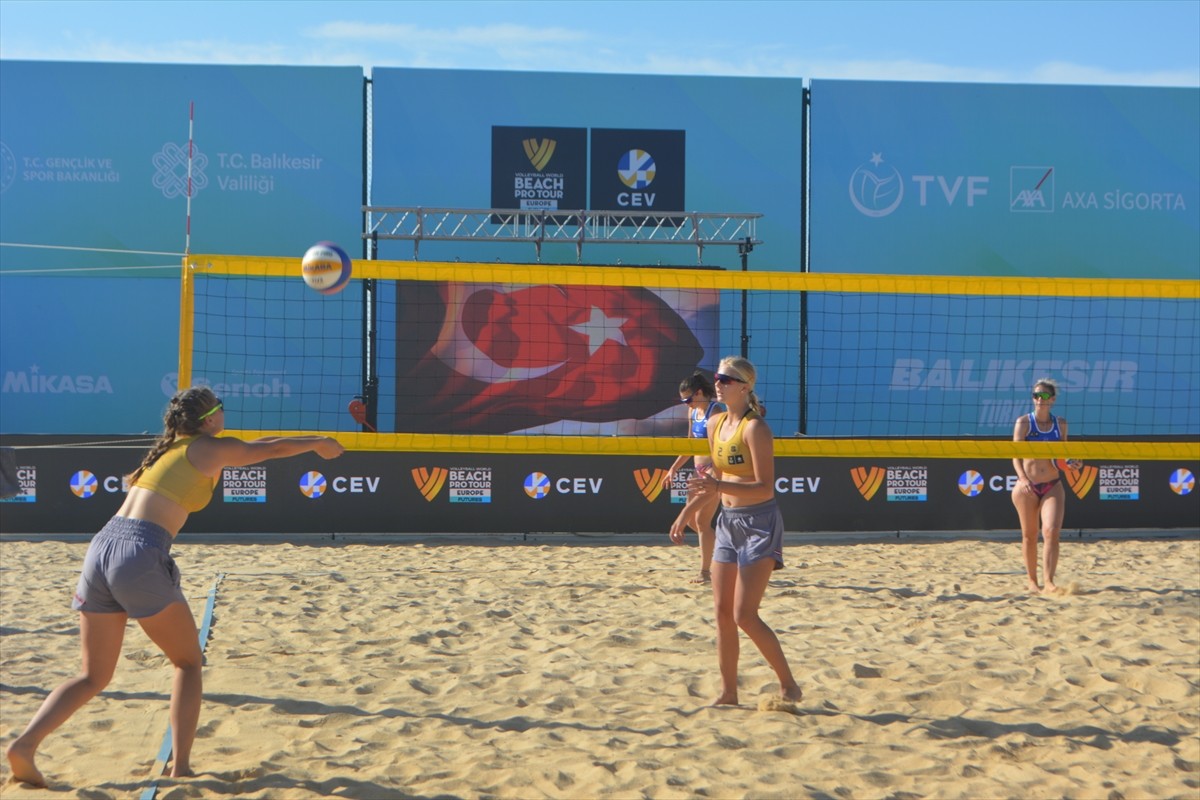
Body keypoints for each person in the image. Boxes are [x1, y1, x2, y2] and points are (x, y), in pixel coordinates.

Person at [5, 386, 345, 787]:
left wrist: (313, 441)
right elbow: (270, 449)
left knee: (92, 676)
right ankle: (180, 767)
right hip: (139, 552)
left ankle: (25, 745)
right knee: (187, 663)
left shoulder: (167, 451)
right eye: (221, 408)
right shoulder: (208, 448)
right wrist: (319, 442)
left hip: (100, 548)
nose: (224, 414)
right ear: (209, 418)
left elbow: (262, 446)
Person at [669, 356, 802, 706]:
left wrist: (717, 489)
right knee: (722, 614)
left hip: (759, 523)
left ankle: (789, 684)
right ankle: (729, 693)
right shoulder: (715, 423)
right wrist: (686, 513)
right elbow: (715, 478)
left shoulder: (755, 428)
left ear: (744, 386)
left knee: (745, 614)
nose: (718, 383)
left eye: (725, 379)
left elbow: (765, 488)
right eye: (717, 377)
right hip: (727, 522)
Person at [1011, 378, 1075, 594]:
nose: (1040, 399)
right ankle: (1032, 581)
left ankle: (1049, 581)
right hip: (1027, 486)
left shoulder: (1061, 424)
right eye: (1036, 395)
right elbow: (1015, 455)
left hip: (1052, 484)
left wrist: (1072, 464)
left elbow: (1064, 456)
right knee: (1029, 535)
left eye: (1044, 395)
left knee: (1051, 531)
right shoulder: (1024, 423)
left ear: (1052, 399)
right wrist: (1022, 479)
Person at [666, 370, 722, 584]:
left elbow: (720, 450)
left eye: (688, 399)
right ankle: (727, 553)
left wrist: (716, 475)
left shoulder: (715, 412)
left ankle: (706, 572)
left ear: (699, 393)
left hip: (714, 470)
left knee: (700, 520)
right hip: (698, 470)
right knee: (693, 522)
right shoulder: (693, 413)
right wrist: (673, 468)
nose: (686, 404)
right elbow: (690, 445)